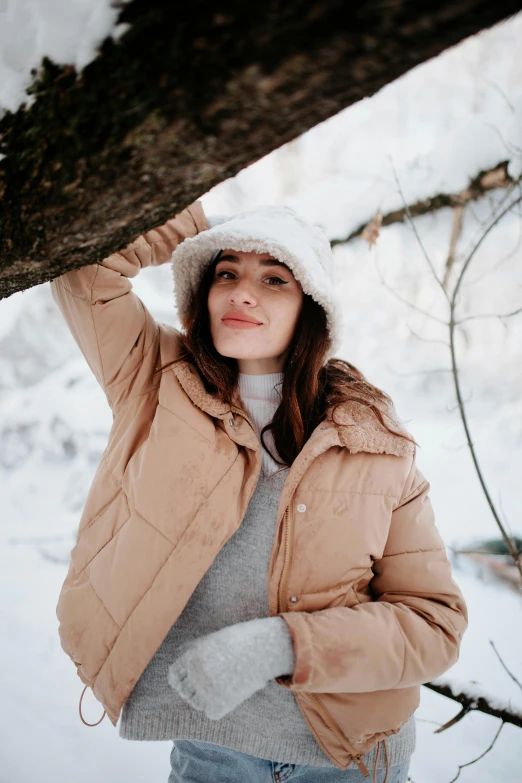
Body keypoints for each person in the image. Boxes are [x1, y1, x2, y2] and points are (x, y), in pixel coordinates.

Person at [50, 200, 468, 783]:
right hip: (211, 750)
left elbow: (434, 625)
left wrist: (282, 645)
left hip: (349, 758)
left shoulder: (374, 445)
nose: (242, 294)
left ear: (311, 308)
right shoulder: (156, 382)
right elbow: (85, 268)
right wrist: (197, 231)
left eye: (274, 279)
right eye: (226, 274)